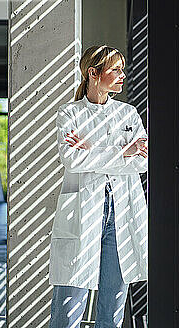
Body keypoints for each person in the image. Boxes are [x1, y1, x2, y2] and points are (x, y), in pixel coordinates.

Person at [48, 45, 148, 328]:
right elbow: (72, 160)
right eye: (115, 70)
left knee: (113, 308)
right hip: (83, 212)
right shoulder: (69, 113)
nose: (122, 75)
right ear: (93, 73)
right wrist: (122, 151)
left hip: (122, 212)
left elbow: (142, 162)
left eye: (122, 69)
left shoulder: (128, 113)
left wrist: (94, 151)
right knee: (69, 308)